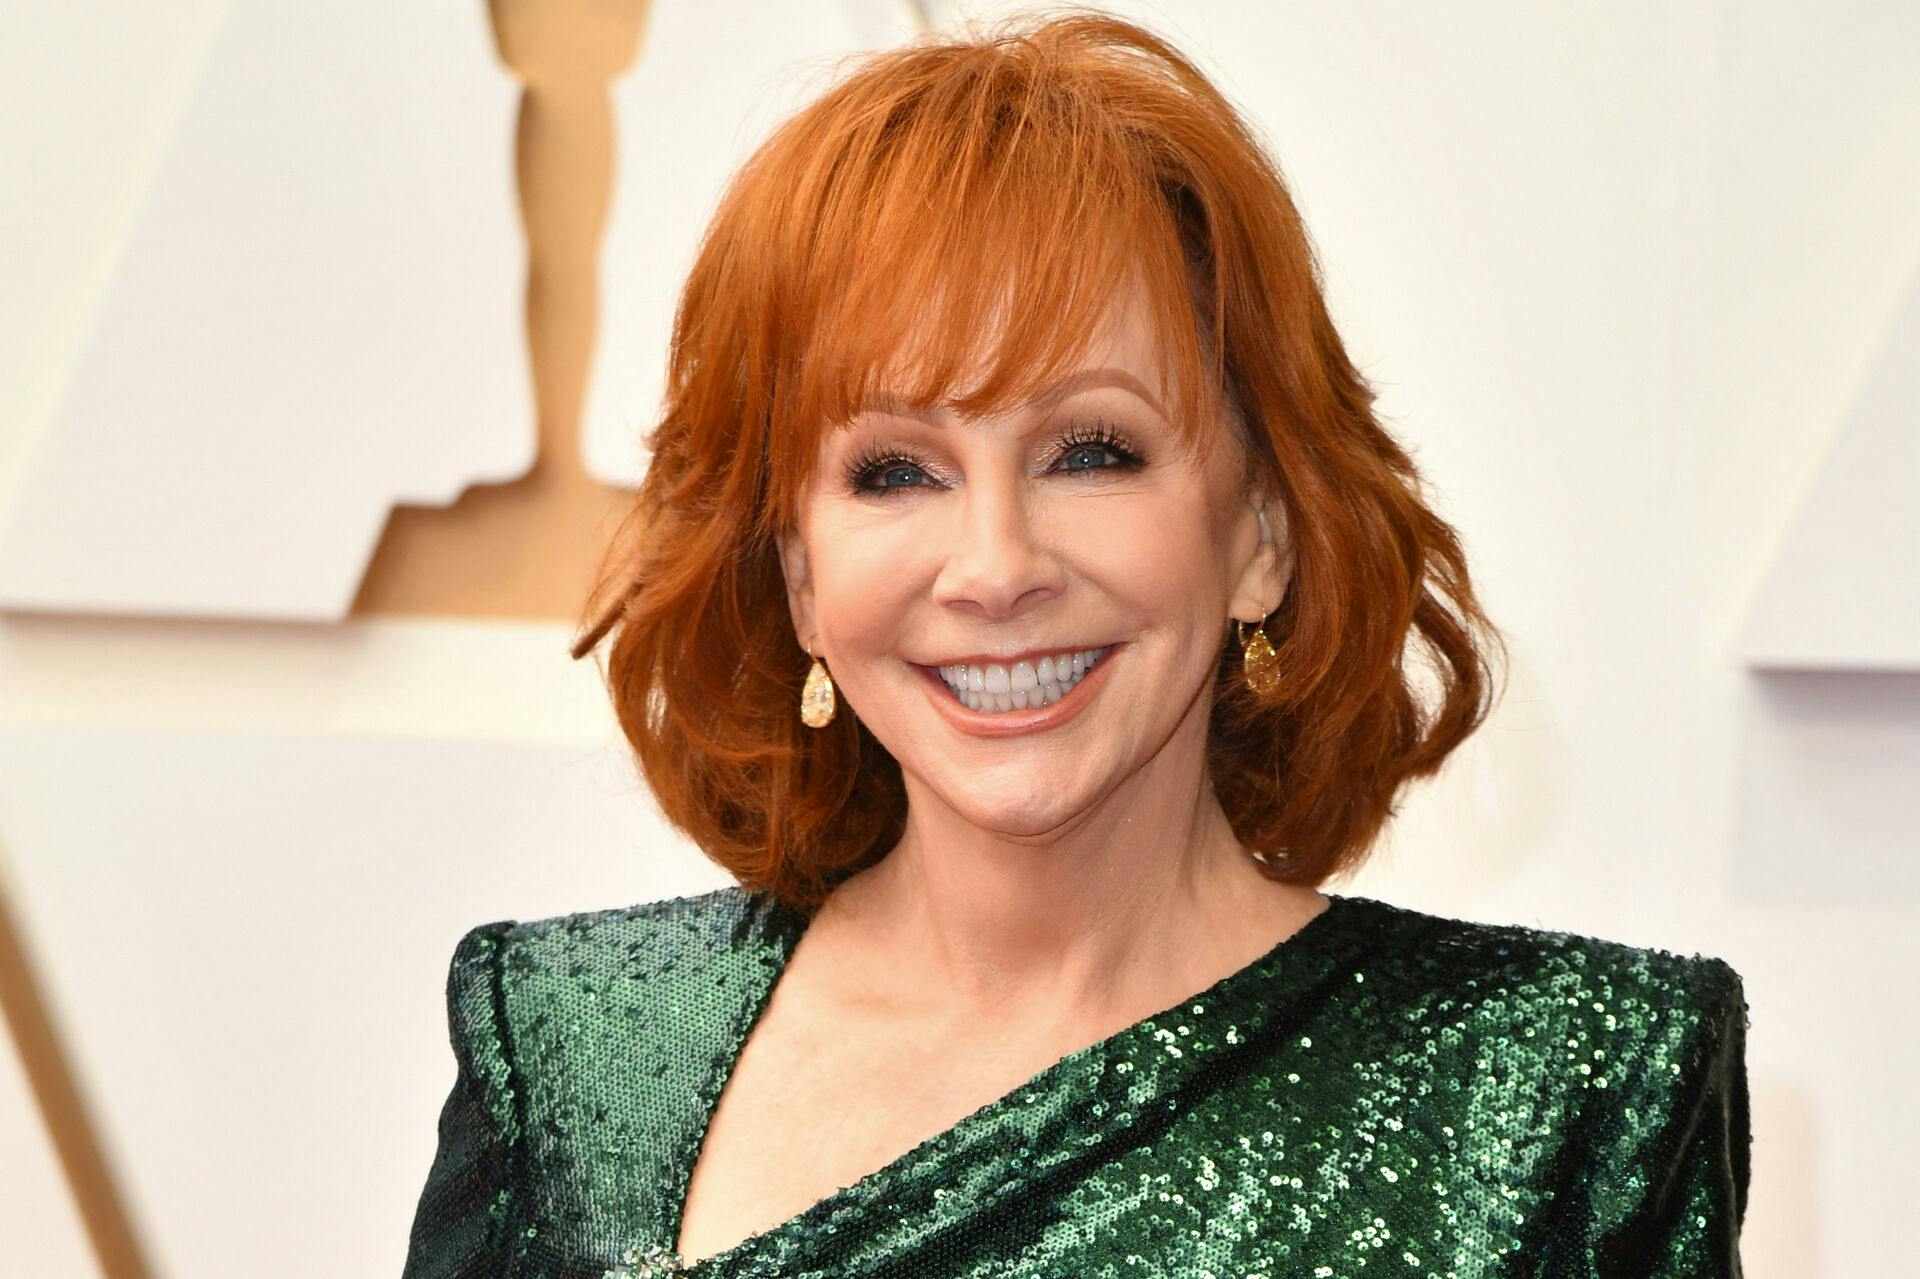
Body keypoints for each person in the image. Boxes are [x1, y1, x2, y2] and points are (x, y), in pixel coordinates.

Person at [402, 12, 1751, 1278]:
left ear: (1260, 535)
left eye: (1091, 452)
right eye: (893, 472)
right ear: (800, 578)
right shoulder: (573, 1049)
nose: (995, 568)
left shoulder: (1558, 1098)